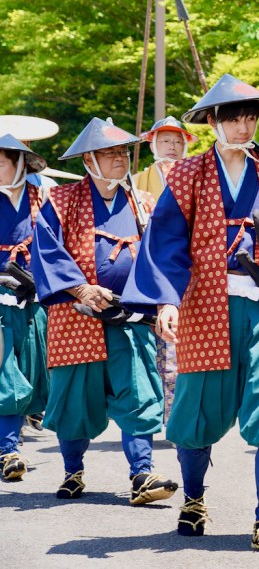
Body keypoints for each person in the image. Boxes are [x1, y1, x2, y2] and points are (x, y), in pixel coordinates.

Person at [121, 75, 259, 555]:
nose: (244, 127)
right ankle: (194, 500)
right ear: (213, 122)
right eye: (234, 118)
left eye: (250, 118)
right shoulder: (187, 174)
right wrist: (167, 300)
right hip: (204, 306)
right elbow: (165, 241)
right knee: (196, 413)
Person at [29, 118, 177, 505]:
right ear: (88, 160)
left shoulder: (144, 202)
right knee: (74, 400)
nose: (119, 159)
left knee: (139, 393)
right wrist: (81, 287)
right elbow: (46, 251)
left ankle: (142, 472)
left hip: (130, 316)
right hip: (76, 315)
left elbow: (160, 254)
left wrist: (163, 301)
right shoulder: (60, 201)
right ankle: (73, 470)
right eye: (109, 153)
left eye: (123, 152)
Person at [132, 115, 197, 421]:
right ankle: (161, 414)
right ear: (152, 144)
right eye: (166, 140)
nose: (172, 146)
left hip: (190, 269)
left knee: (189, 345)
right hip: (151, 269)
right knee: (155, 346)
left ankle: (184, 415)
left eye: (177, 141)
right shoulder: (136, 183)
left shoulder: (197, 175)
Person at [0, 135, 50, 481]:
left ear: (20, 164)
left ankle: (10, 443)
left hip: (34, 301)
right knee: (7, 377)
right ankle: (8, 451)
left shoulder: (44, 199)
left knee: (31, 376)